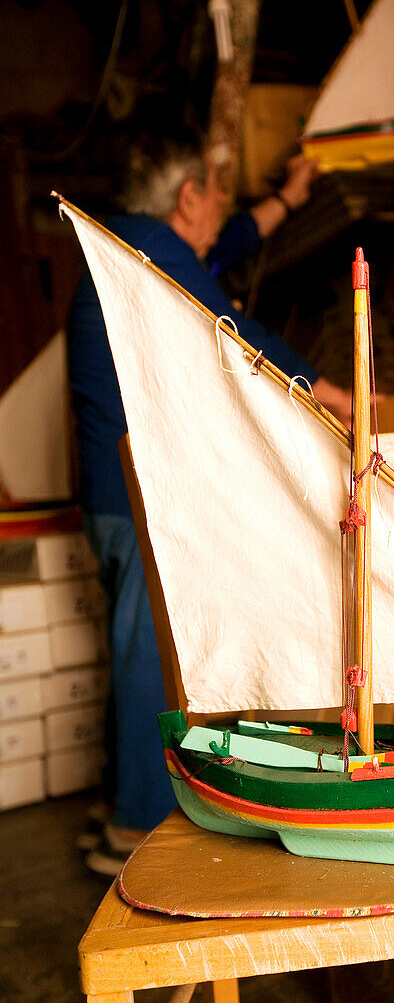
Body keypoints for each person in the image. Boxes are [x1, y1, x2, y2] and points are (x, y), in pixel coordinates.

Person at [68, 130, 351, 876]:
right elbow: (232, 330)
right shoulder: (149, 252)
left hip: (103, 490)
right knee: (145, 657)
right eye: (216, 191)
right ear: (187, 195)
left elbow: (220, 251)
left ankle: (108, 811)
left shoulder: (133, 245)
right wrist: (326, 392)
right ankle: (133, 828)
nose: (222, 205)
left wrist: (286, 199)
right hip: (131, 489)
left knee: (128, 648)